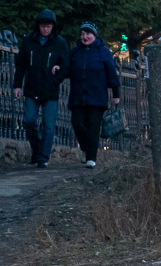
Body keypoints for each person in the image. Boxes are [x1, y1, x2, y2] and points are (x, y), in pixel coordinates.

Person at [12, 9, 70, 167]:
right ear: (38, 26)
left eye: (48, 26)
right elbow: (21, 64)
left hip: (50, 90)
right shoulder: (29, 41)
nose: (45, 29)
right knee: (29, 120)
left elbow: (66, 66)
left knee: (49, 125)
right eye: (43, 26)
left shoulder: (59, 43)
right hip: (32, 87)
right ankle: (38, 150)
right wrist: (17, 85)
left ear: (53, 27)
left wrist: (56, 76)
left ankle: (43, 158)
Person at [67, 22, 121, 168]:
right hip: (78, 96)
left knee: (93, 128)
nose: (85, 37)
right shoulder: (75, 53)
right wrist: (57, 69)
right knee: (77, 124)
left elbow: (111, 72)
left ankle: (91, 158)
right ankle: (85, 148)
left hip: (97, 96)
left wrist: (116, 93)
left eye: (88, 34)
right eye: (82, 34)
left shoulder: (103, 51)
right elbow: (67, 69)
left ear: (94, 35)